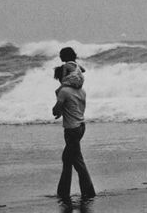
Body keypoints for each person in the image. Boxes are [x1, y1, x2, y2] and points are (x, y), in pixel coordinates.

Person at [52, 51, 96, 199]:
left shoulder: (64, 91)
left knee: (73, 160)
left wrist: (56, 109)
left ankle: (85, 191)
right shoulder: (81, 91)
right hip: (81, 127)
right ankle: (69, 191)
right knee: (72, 159)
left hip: (71, 130)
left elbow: (55, 111)